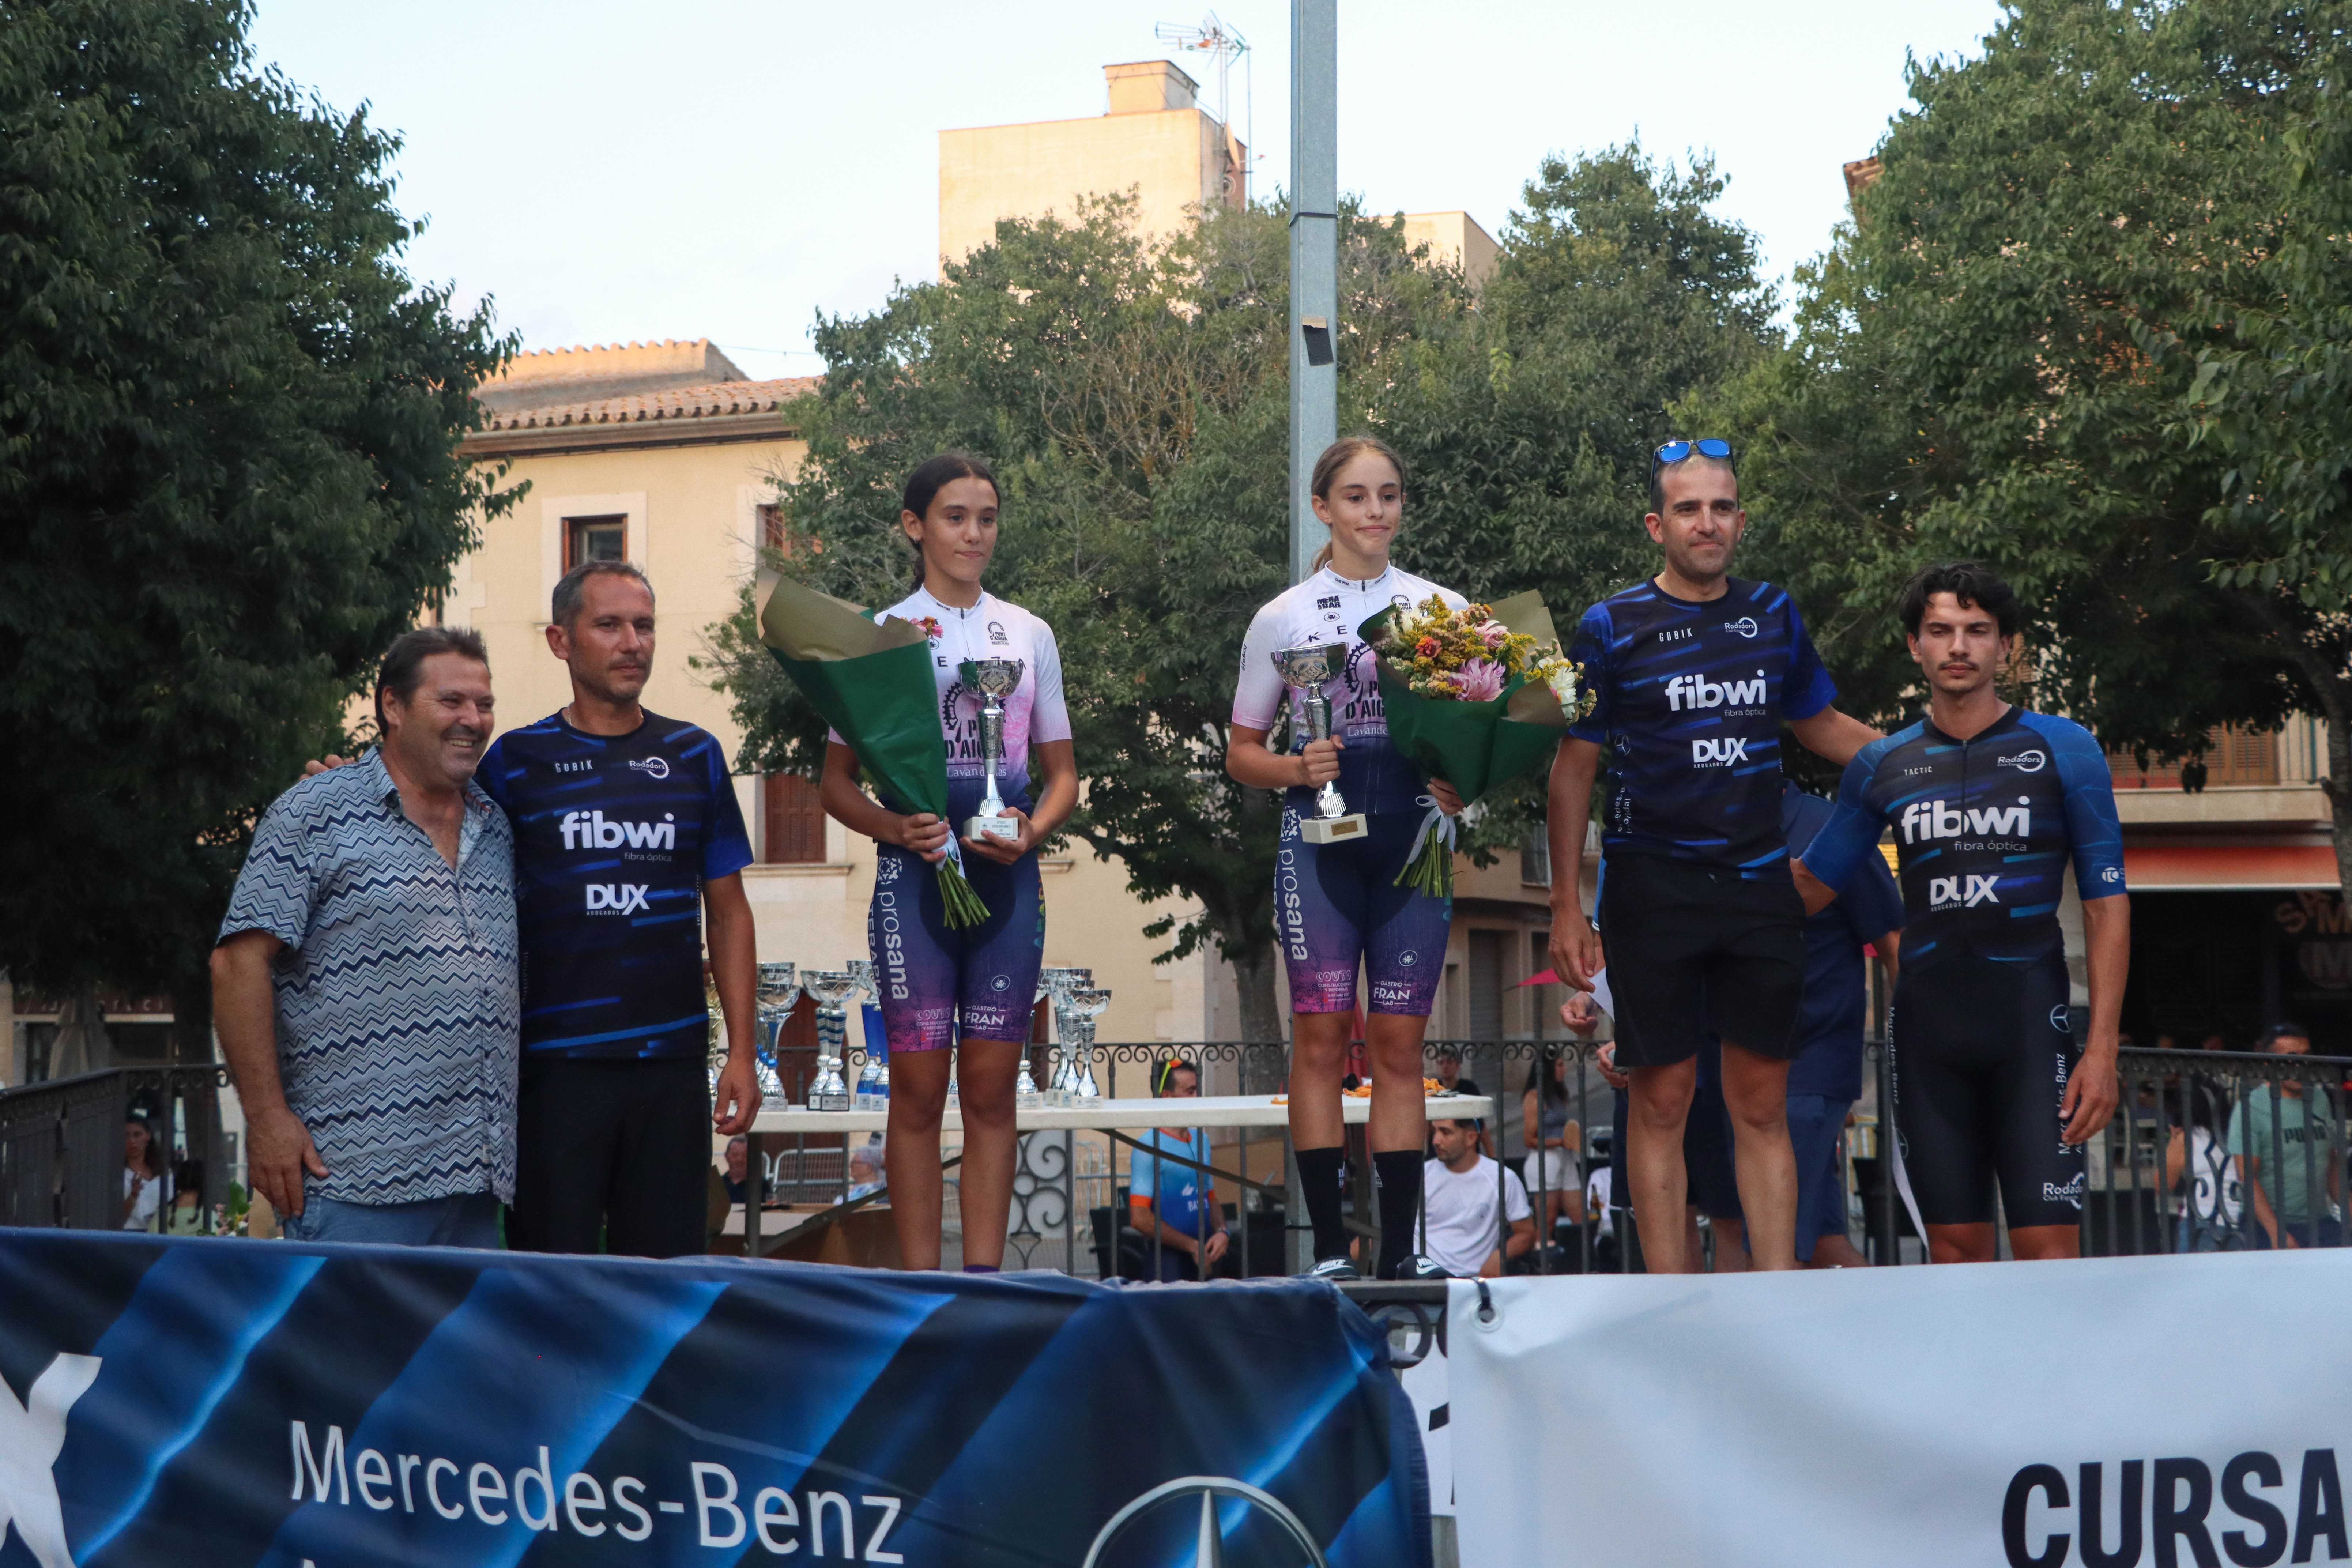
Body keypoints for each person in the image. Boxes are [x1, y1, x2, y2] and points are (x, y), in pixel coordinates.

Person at [1546, 439, 1881, 1273]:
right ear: (1657, 525)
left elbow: (1824, 727)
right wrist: (1561, 906)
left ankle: (1771, 1295)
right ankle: (1667, 1298)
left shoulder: (1773, 612)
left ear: (1738, 520)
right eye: (1689, 508)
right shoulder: (1606, 623)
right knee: (1660, 1097)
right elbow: (1571, 764)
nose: (1707, 522)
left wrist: (1937, 759)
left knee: (1758, 1102)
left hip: (1755, 884)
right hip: (1648, 886)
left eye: (1721, 506)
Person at [1797, 562, 2130, 1263]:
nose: (1958, 646)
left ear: (2006, 646)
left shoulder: (2064, 748)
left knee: (2048, 1253)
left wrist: (2101, 1049)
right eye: (1940, 630)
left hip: (2030, 1026)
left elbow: (2105, 905)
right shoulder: (1882, 764)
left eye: (1977, 631)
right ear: (1913, 645)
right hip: (1927, 1036)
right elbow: (1808, 889)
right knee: (1953, 1255)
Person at [456, 559, 763, 1259]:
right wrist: (350, 786)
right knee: (551, 1275)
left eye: (645, 625)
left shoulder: (695, 754)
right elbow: (441, 839)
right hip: (554, 1068)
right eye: (610, 625)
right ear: (560, 641)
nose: (633, 642)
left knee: (664, 1279)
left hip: (671, 1064)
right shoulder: (514, 761)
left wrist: (741, 1051)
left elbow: (729, 909)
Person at [820, 453, 1078, 1272]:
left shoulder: (1030, 632)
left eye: (987, 517)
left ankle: (985, 1282)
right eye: (955, 515)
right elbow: (833, 784)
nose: (974, 532)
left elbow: (1064, 772)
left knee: (995, 1092)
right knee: (920, 1093)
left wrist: (1032, 830)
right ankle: (921, 1285)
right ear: (914, 525)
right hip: (914, 884)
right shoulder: (881, 633)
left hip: (1008, 878)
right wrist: (899, 832)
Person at [1226, 436, 1467, 1282]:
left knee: (1401, 1043)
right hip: (1318, 845)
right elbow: (1240, 751)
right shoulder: (1282, 618)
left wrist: (1461, 784)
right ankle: (1330, 1246)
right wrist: (1295, 768)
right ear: (1321, 507)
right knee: (1321, 1037)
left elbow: (1475, 732)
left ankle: (1399, 1251)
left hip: (1411, 844)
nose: (1375, 512)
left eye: (1389, 495)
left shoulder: (1442, 608)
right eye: (1356, 497)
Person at [214, 627, 519, 1246]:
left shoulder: (497, 825)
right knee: (343, 1349)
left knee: (457, 1350)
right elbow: (236, 964)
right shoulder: (315, 812)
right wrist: (267, 1117)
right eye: (451, 701)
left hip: (475, 1187)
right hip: (356, 1184)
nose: (473, 719)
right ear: (392, 707)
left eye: (484, 704)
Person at [1780, 781, 1904, 1268]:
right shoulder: (1705, 824)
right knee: (1823, 1244)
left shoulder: (1828, 825)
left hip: (1808, 1068)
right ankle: (1890, 1340)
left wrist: (1915, 1048)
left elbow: (1894, 945)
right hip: (1734, 1063)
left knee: (1777, 1243)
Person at [2228, 1023, 2341, 1249]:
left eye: (2307, 1056)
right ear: (2270, 1063)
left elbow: (2331, 1166)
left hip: (2320, 1222)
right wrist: (2276, 1232)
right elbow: (2248, 1178)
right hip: (2265, 1225)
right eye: (2292, 1057)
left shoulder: (2319, 1100)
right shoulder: (2252, 1107)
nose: (2301, 1064)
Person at [1128, 1058, 1239, 1281]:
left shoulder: (1202, 1140)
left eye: (1197, 1090)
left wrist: (1222, 1232)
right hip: (1168, 1262)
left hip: (1206, 1254)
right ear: (1167, 1097)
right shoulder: (1148, 1146)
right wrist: (1190, 1246)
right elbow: (1139, 1219)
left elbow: (1210, 1197)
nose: (1196, 1098)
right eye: (1190, 1091)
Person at [1422, 1118, 1535, 1278]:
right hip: (1426, 1279)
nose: (1436, 1141)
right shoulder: (1421, 1176)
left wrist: (1499, 1257)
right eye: (1435, 1132)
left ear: (1471, 1138)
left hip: (1475, 1281)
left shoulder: (1502, 1178)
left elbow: (1526, 1233)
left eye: (1446, 1132)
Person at [1521, 1050, 1584, 1236]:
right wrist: (1560, 1141)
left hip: (1565, 1157)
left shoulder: (1558, 1094)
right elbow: (1529, 1140)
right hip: (1545, 1160)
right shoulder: (1534, 1098)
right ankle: (1543, 1261)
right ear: (1548, 1069)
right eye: (1559, 1065)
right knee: (1547, 1222)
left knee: (1580, 1217)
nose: (1564, 1069)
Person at [120, 1117, 166, 1232]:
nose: (132, 1141)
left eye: (137, 1135)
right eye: (126, 1136)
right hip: (129, 1232)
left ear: (148, 1136)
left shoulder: (164, 1172)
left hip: (159, 1233)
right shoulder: (118, 1173)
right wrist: (133, 1196)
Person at [722, 1135, 750, 1206]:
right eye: (735, 1155)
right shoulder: (717, 1185)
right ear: (727, 1157)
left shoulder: (761, 1186)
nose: (740, 1159)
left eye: (745, 1155)